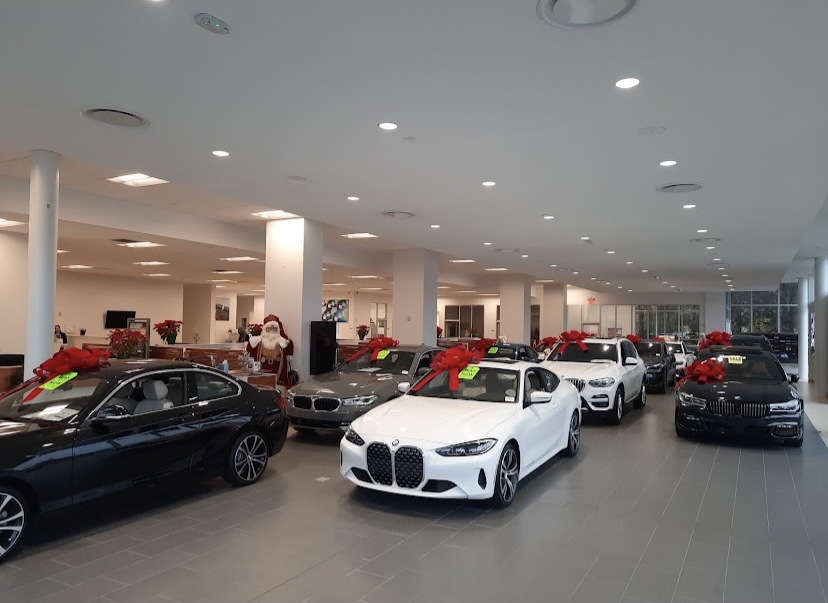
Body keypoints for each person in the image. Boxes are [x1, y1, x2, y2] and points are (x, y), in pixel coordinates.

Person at [246, 314, 294, 393]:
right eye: (269, 328)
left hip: (279, 385)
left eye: (274, 328)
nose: (272, 330)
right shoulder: (255, 344)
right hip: (259, 385)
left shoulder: (285, 344)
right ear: (265, 329)